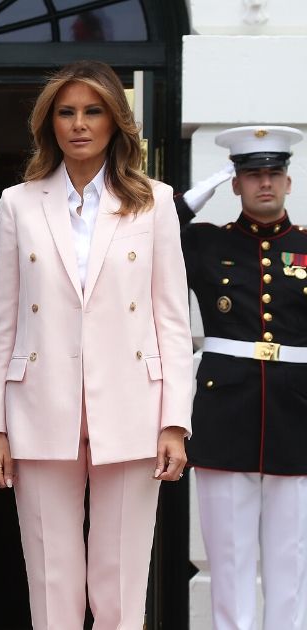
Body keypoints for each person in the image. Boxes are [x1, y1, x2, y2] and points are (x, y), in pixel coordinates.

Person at [0, 60, 193, 630]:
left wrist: (175, 420)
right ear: (49, 124)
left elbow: (172, 318)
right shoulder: (16, 203)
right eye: (67, 112)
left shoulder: (156, 201)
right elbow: (0, 319)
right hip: (38, 405)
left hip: (131, 405)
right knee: (50, 577)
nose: (79, 124)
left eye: (93, 111)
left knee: (122, 579)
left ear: (116, 122)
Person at [178, 125, 307, 630]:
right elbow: (145, 229)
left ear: (289, 181)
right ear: (235, 184)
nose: (265, 183)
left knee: (290, 560)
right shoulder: (205, 243)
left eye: (274, 173)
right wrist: (196, 193)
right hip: (225, 412)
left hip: (296, 413)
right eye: (252, 174)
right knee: (228, 560)